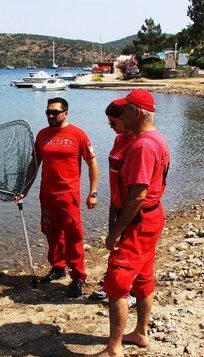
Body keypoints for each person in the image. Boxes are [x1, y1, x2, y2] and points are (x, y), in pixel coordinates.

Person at [88, 89, 170, 357]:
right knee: (144, 276)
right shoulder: (152, 140)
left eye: (124, 111)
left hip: (139, 221)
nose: (120, 116)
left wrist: (115, 231)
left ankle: (114, 348)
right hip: (150, 218)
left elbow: (137, 195)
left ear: (136, 112)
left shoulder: (143, 146)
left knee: (117, 284)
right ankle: (141, 332)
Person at [27, 97, 100, 298]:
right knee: (51, 233)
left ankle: (78, 277)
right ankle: (58, 267)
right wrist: (23, 188)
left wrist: (93, 192)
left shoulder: (78, 134)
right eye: (48, 112)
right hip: (47, 194)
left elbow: (92, 163)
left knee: (73, 236)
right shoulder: (42, 135)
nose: (51, 115)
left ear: (65, 113)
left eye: (55, 112)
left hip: (69, 195)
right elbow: (34, 164)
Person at [88, 102, 137, 309]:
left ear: (127, 118)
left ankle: (131, 291)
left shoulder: (139, 144)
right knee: (115, 247)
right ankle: (111, 284)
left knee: (130, 251)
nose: (111, 127)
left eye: (113, 123)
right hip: (116, 203)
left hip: (130, 207)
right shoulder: (119, 140)